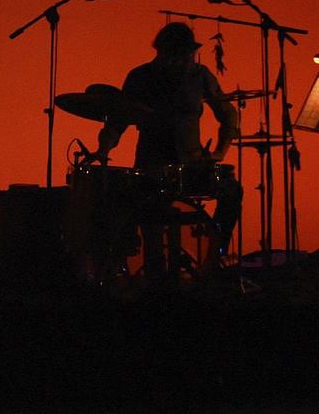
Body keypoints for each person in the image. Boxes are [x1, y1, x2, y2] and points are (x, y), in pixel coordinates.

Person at [96, 22, 242, 276]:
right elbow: (118, 120)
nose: (184, 59)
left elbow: (229, 115)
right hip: (151, 164)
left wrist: (219, 154)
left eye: (187, 53)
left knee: (232, 192)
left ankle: (215, 251)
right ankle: (154, 270)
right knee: (147, 211)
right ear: (163, 52)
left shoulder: (200, 75)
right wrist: (104, 148)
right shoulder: (140, 77)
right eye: (179, 53)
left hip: (193, 164)